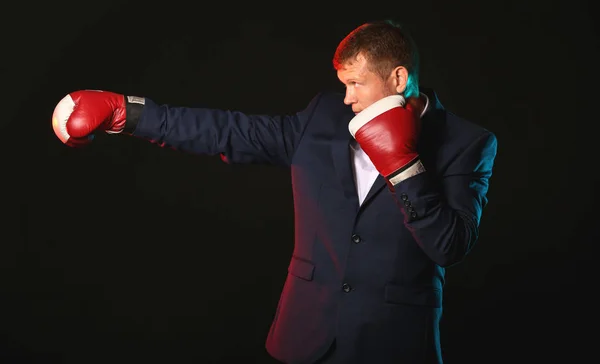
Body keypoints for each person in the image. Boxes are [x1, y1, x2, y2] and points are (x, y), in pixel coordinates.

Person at [51, 20, 498, 364]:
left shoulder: (467, 142)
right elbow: (232, 132)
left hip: (393, 344)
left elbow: (450, 246)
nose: (346, 98)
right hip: (305, 336)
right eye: (343, 84)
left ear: (399, 79)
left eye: (356, 84)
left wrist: (404, 166)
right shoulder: (324, 115)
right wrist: (128, 114)